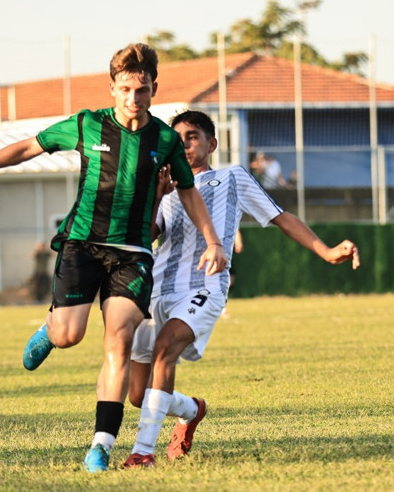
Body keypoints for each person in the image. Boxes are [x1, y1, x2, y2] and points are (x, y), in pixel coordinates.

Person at [0, 44, 227, 474]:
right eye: (125, 89)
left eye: (142, 90)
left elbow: (188, 192)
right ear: (112, 89)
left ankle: (100, 446)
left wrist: (213, 240)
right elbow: (27, 148)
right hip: (82, 245)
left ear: (153, 90)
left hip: (133, 254)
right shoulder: (87, 125)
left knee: (119, 340)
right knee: (70, 334)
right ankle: (51, 330)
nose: (133, 98)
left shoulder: (164, 139)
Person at [122, 110, 360, 468]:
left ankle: (142, 453)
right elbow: (147, 235)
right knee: (139, 395)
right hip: (157, 290)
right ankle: (191, 410)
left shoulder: (231, 177)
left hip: (204, 286)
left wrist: (325, 251)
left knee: (165, 348)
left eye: (192, 137)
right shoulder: (163, 186)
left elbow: (281, 217)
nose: (184, 144)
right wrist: (156, 194)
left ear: (211, 144)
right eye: (177, 138)